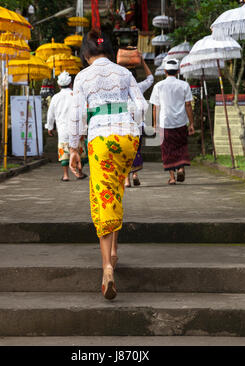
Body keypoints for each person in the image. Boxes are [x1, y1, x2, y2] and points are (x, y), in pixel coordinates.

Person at [69, 29, 148, 300]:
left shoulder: (82, 77)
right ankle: (114, 253)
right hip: (127, 138)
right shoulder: (124, 73)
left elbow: (78, 114)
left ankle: (106, 269)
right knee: (116, 191)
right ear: (109, 51)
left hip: (100, 140)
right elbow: (141, 105)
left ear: (86, 53)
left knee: (103, 196)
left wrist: (73, 148)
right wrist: (133, 130)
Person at [149, 58, 195, 185]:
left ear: (165, 71)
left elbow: (155, 107)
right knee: (181, 146)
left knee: (167, 149)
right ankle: (180, 168)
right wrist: (191, 123)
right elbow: (188, 105)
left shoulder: (158, 86)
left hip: (165, 122)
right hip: (180, 122)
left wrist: (155, 124)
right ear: (178, 71)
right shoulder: (184, 85)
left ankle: (172, 177)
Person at [47, 70, 87, 181]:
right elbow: (84, 111)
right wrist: (85, 126)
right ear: (71, 84)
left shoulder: (55, 97)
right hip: (77, 128)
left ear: (59, 85)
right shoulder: (77, 95)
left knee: (64, 152)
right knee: (79, 150)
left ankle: (66, 175)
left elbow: (50, 114)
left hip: (63, 129)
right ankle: (80, 172)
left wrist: (50, 127)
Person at [125, 57, 154, 187]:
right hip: (138, 126)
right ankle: (135, 175)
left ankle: (126, 180)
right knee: (136, 150)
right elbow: (150, 79)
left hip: (123, 125)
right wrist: (142, 61)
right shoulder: (139, 87)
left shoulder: (118, 89)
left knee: (124, 151)